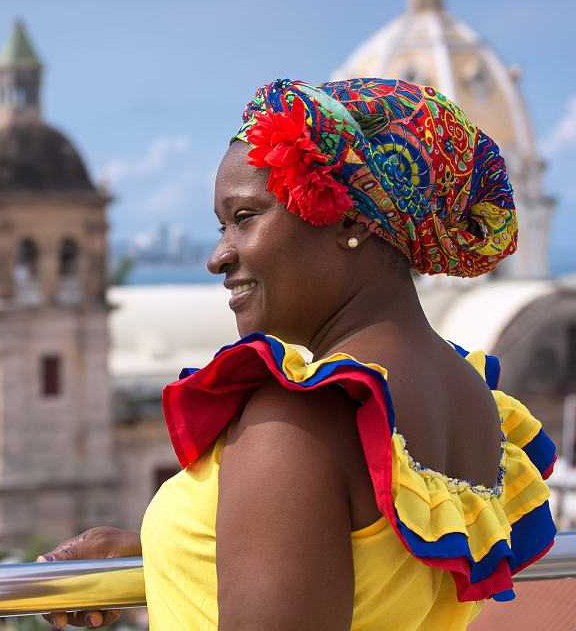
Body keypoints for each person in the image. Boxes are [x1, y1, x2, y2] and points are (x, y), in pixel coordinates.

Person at [40, 78, 557, 630]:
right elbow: (369, 575)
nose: (218, 256)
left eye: (245, 217)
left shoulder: (300, 417)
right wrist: (171, 550)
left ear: (351, 221)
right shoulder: (472, 398)